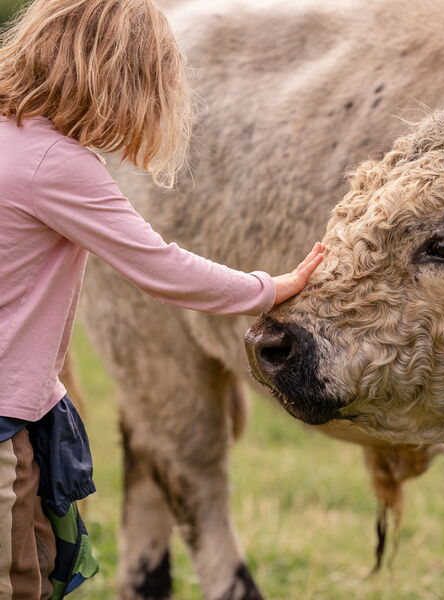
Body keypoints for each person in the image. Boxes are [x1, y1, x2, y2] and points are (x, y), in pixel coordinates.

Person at [0, 1, 324, 597]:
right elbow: (161, 268)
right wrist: (270, 288)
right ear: (119, 78)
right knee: (20, 581)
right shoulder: (56, 163)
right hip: (4, 423)